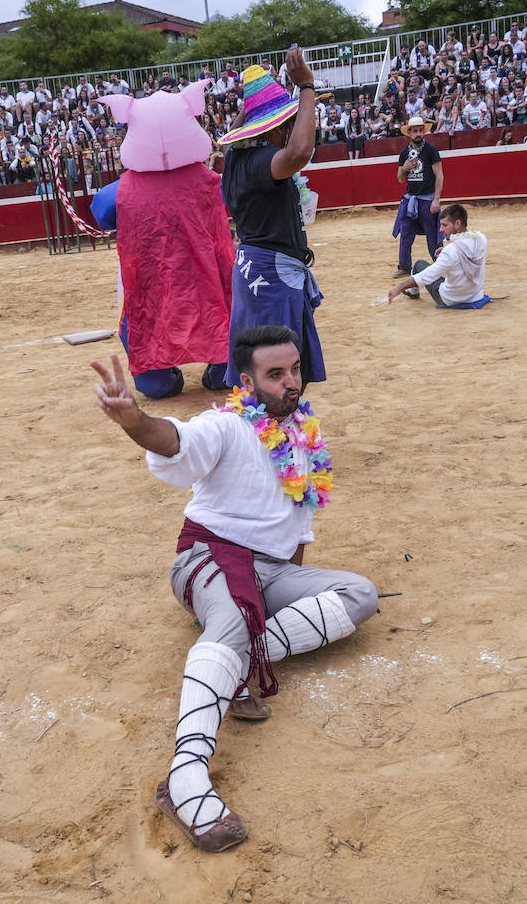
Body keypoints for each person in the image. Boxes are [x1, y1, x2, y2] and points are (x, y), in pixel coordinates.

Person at [89, 325, 378, 853]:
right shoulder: (224, 425)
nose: (292, 382)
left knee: (360, 594)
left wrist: (282, 590)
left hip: (270, 571)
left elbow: (298, 531)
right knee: (231, 622)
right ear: (247, 381)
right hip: (208, 556)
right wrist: (134, 419)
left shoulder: (303, 433)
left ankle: (245, 655)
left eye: (296, 369)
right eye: (276, 374)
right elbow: (175, 440)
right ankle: (185, 779)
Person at [218, 48, 326, 389]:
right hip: (272, 274)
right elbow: (299, 152)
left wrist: (252, 104)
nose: (292, 126)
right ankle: (277, 438)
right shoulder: (262, 160)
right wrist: (306, 87)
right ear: (275, 127)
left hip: (255, 266)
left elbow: (234, 138)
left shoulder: (235, 157)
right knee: (280, 365)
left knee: (263, 360)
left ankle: (267, 436)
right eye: (287, 122)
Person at [387, 204, 491, 309]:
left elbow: (426, 276)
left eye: (445, 225)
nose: (441, 229)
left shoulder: (451, 252)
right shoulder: (481, 239)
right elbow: (465, 247)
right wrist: (447, 248)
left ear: (457, 224)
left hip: (451, 299)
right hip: (476, 296)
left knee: (419, 265)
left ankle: (412, 292)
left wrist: (399, 288)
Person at [392, 116, 444, 278]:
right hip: (410, 200)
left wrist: (436, 199)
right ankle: (404, 266)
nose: (418, 134)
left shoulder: (431, 151)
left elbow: (440, 175)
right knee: (406, 234)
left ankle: (439, 265)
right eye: (415, 131)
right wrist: (405, 168)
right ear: (409, 133)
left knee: (433, 236)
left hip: (427, 200)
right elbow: (400, 179)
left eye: (421, 131)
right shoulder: (403, 154)